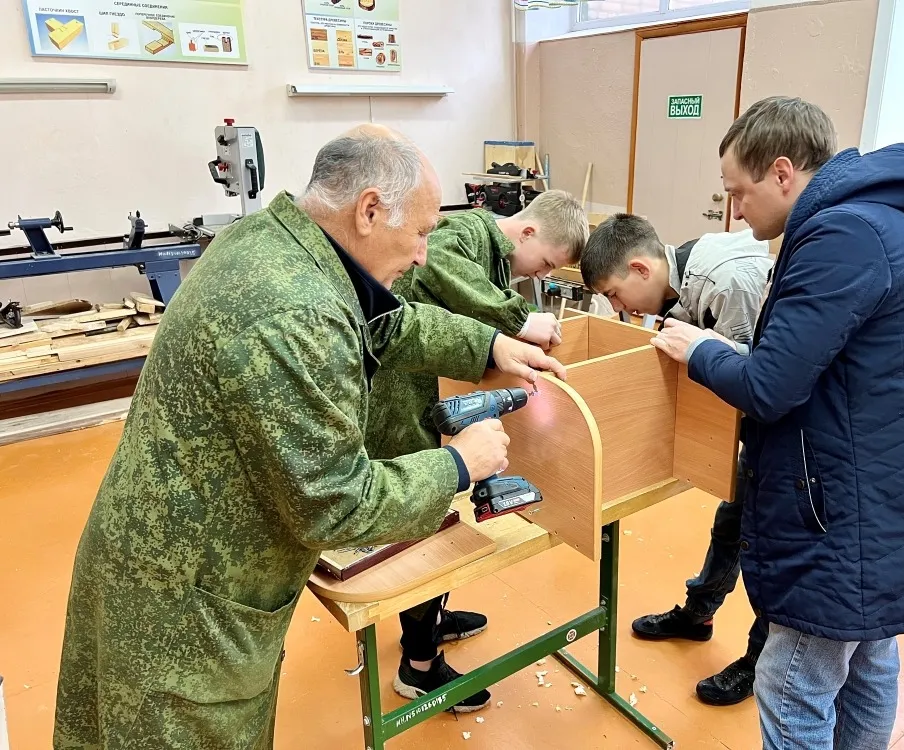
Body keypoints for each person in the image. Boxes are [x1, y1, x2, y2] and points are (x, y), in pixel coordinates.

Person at [53, 124, 567, 750]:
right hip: (185, 609)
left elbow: (385, 321)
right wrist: (458, 466)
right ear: (369, 210)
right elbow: (334, 502)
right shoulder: (295, 310)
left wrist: (489, 344)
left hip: (164, 560)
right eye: (423, 233)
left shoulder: (278, 244)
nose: (425, 256)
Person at [651, 96, 904, 749]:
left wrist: (700, 350)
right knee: (867, 664)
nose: (735, 212)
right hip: (886, 505)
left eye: (737, 193)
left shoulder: (841, 236)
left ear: (780, 173)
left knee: (794, 684)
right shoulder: (885, 221)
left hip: (847, 516)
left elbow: (769, 387)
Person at [365, 189, 589, 711]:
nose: (538, 274)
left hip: (430, 392)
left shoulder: (492, 253)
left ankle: (431, 622)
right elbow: (439, 262)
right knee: (423, 521)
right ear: (528, 232)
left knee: (441, 515)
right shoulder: (468, 233)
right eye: (547, 263)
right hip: (403, 402)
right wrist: (517, 317)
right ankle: (417, 668)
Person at [580, 214, 772, 706]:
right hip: (753, 428)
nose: (618, 310)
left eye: (616, 295)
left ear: (642, 269)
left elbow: (746, 377)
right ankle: (699, 613)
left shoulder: (726, 282)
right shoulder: (680, 269)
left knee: (768, 544)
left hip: (782, 432)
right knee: (732, 521)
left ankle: (762, 661)